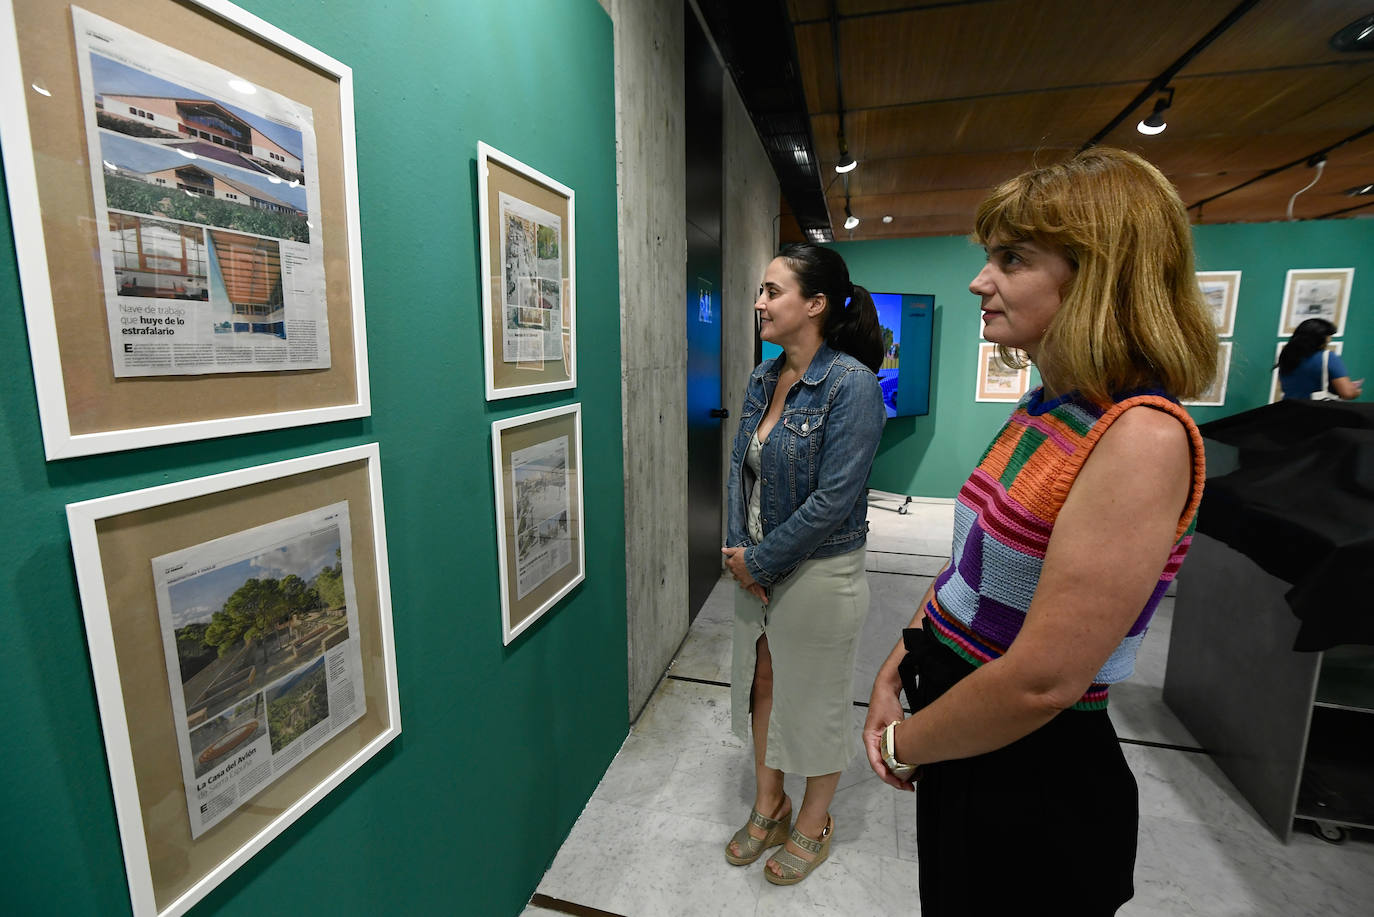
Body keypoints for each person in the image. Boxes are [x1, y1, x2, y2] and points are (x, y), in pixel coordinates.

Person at [862, 148, 1218, 915]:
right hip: (967, 734)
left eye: (1011, 258)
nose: (979, 280)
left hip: (1031, 774)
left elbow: (1043, 681)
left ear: (1095, 274)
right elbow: (967, 574)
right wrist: (896, 666)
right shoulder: (1050, 403)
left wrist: (902, 744)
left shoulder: (1140, 435)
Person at [721, 243, 886, 885]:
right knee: (762, 682)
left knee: (813, 699)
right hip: (756, 566)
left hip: (818, 570)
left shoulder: (853, 385)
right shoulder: (766, 375)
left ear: (814, 304)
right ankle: (770, 802)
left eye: (772, 291)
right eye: (761, 291)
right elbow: (741, 469)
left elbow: (834, 499)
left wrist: (759, 559)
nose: (759, 302)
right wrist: (741, 552)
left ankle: (814, 820)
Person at [1278, 318, 1362, 400]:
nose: (1330, 340)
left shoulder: (1286, 356)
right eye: (1328, 336)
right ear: (1321, 338)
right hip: (1317, 410)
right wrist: (1355, 391)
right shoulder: (1328, 357)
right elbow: (1347, 393)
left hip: (1289, 409)